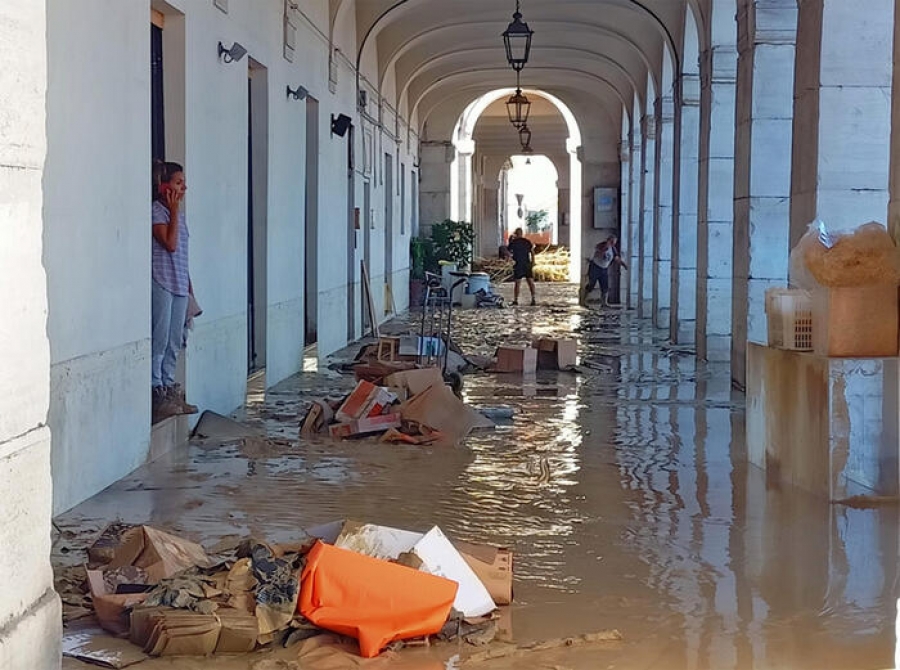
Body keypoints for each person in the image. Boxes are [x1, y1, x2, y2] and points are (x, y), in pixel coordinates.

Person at [151, 161, 199, 422]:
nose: (184, 188)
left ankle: (169, 387)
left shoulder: (179, 217)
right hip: (163, 281)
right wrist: (173, 210)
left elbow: (182, 253)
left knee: (175, 340)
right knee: (160, 338)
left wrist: (189, 286)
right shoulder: (158, 212)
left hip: (180, 283)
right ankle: (156, 389)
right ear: (164, 186)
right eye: (179, 183)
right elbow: (169, 244)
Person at [580, 234, 627, 307]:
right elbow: (599, 252)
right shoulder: (601, 245)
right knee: (591, 284)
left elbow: (616, 259)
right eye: (612, 241)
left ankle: (604, 303)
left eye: (614, 242)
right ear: (608, 240)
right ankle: (583, 301)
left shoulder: (613, 249)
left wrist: (624, 265)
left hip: (604, 269)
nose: (613, 243)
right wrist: (606, 247)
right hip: (595, 267)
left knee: (605, 286)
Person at [507, 227, 536, 306]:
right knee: (530, 282)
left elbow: (508, 253)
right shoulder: (527, 241)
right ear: (522, 233)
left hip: (518, 264)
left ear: (516, 234)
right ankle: (533, 299)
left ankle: (516, 300)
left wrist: (509, 262)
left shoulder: (513, 242)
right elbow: (532, 252)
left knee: (517, 283)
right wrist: (533, 262)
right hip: (527, 264)